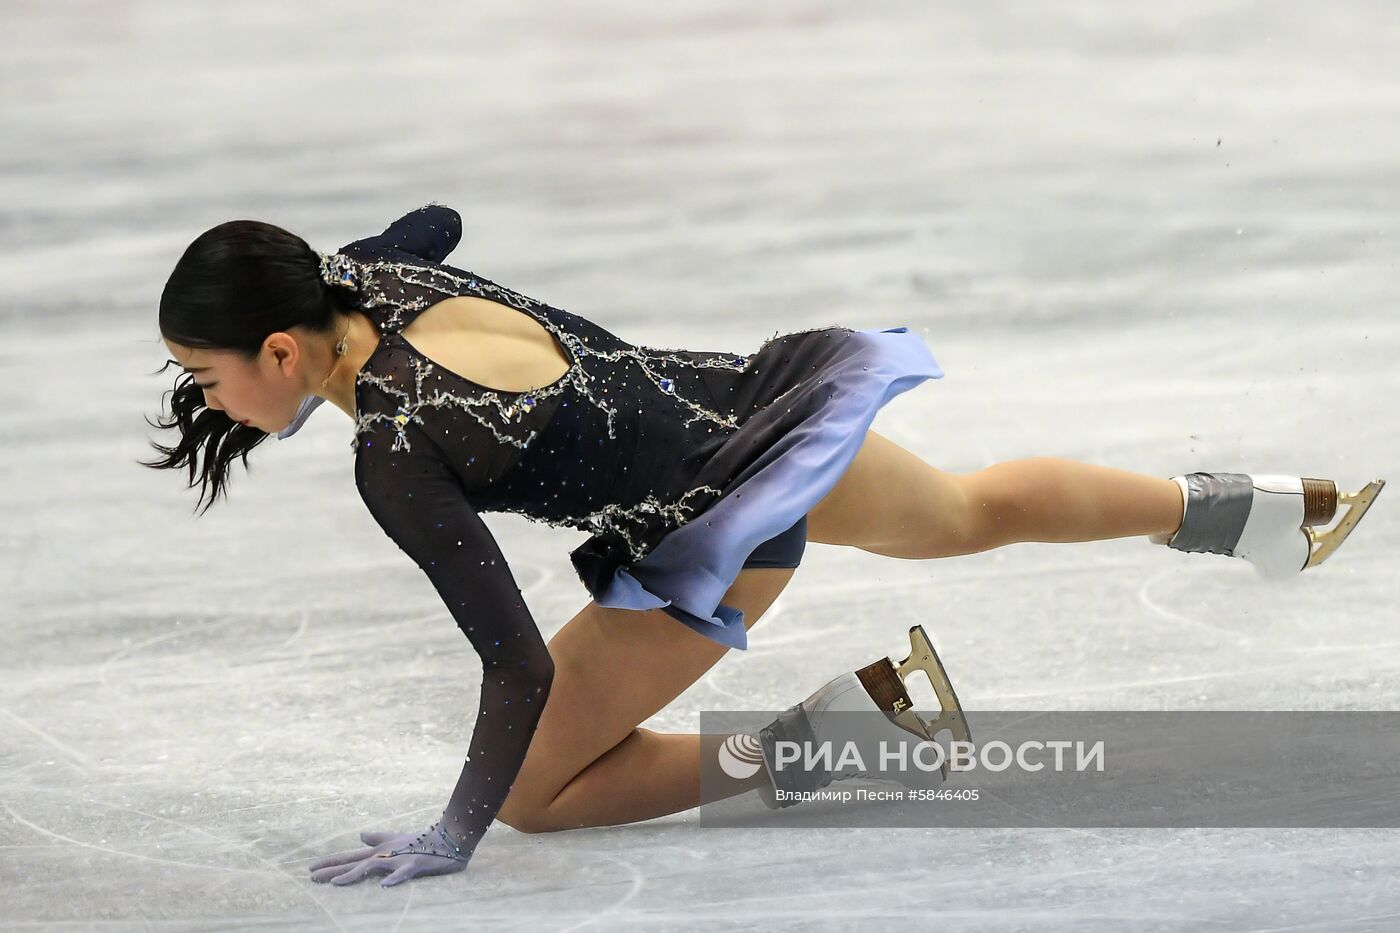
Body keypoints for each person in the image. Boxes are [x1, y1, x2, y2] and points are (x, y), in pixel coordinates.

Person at [144, 203, 1384, 888]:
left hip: (711, 526)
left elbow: (514, 671)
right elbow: (433, 223)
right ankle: (1266, 508)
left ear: (286, 352)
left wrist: (453, 833)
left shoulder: (398, 453)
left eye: (205, 374)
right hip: (756, 414)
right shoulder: (365, 274)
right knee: (967, 512)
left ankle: (852, 740)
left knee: (534, 795)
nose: (206, 400)